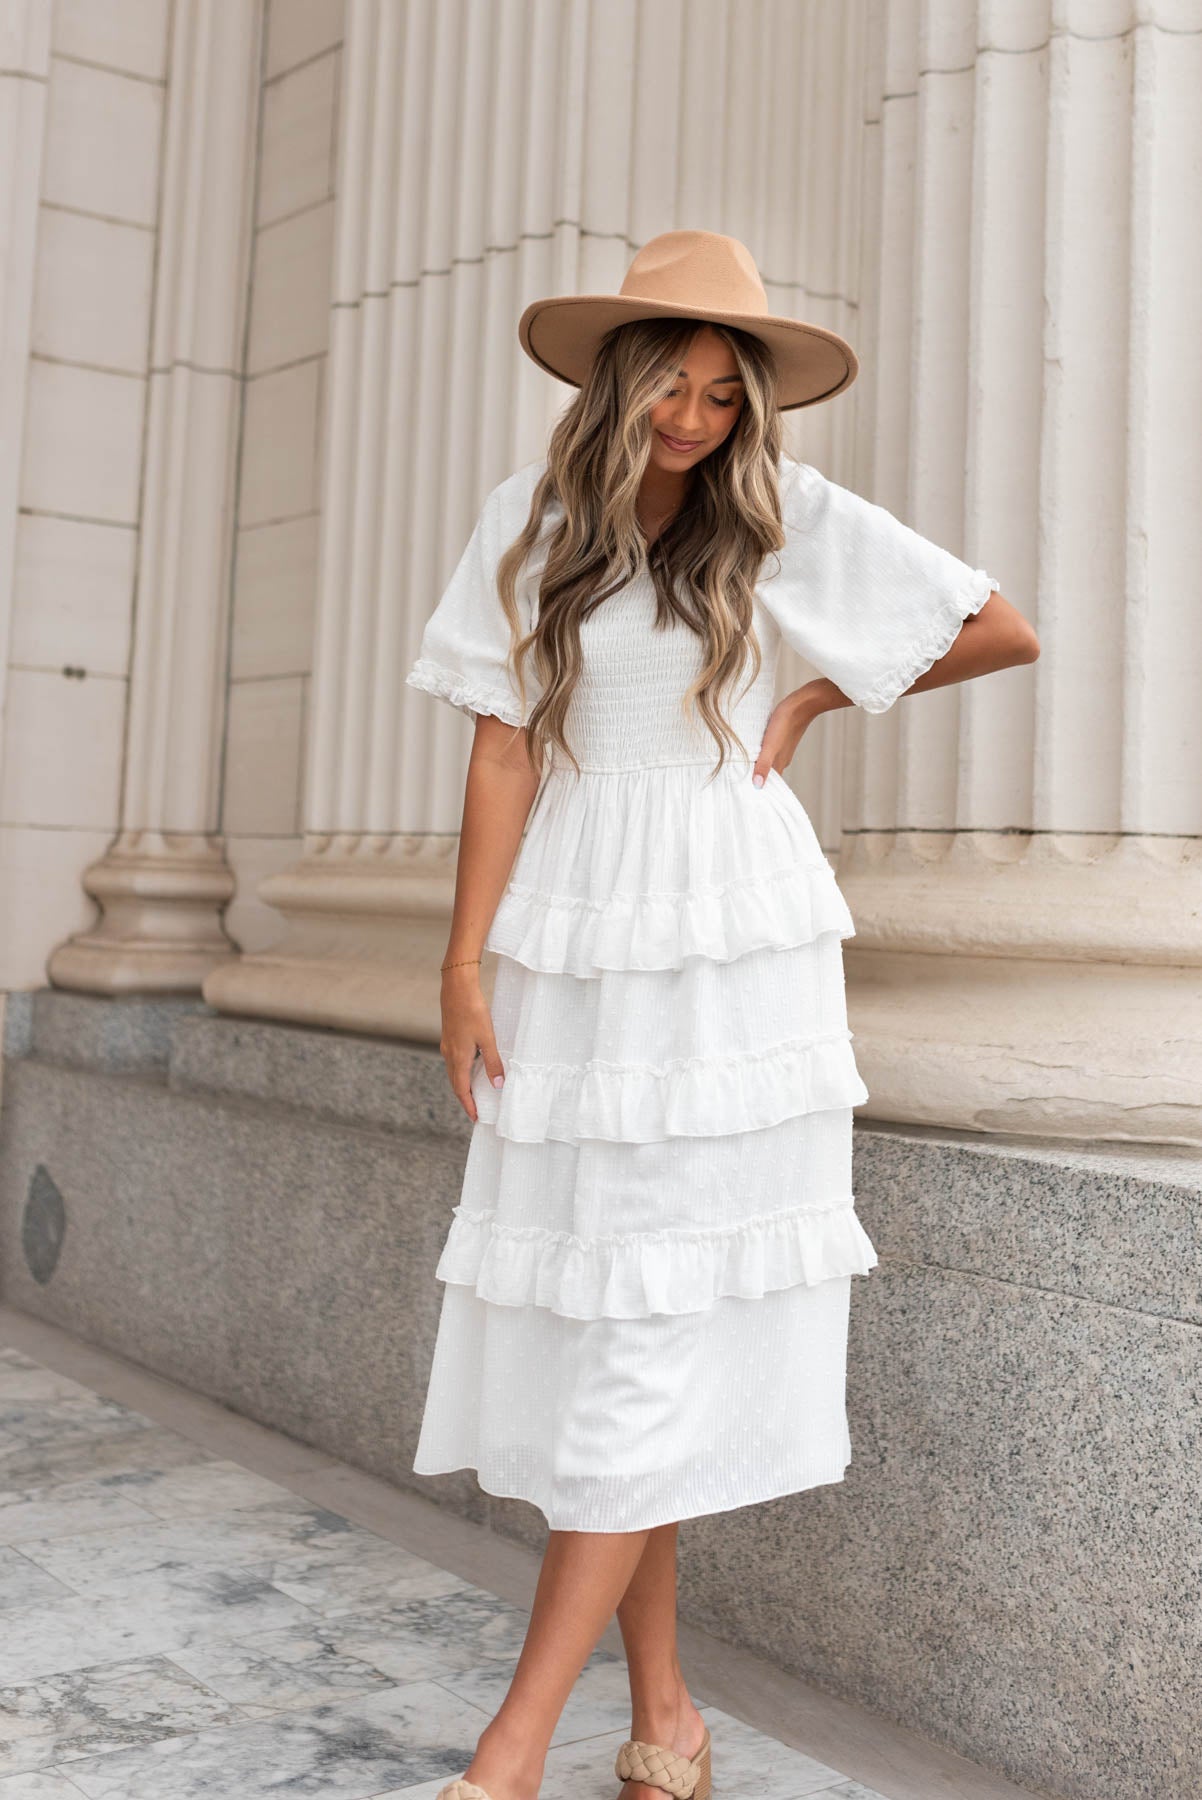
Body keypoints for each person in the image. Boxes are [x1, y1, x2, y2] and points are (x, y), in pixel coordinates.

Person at [404, 230, 1039, 1800]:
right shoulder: (535, 518)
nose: (693, 417)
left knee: (644, 1327)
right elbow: (499, 749)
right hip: (576, 935)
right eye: (672, 386)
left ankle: (508, 1754)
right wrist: (462, 961)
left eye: (719, 393)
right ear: (620, 381)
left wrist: (820, 691)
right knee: (621, 1318)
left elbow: (999, 625)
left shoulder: (781, 521)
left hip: (732, 941)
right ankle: (668, 1716)